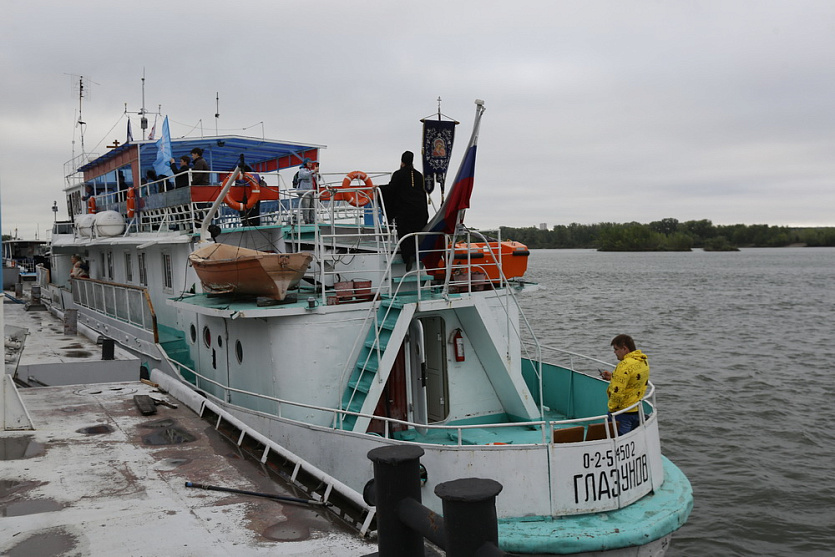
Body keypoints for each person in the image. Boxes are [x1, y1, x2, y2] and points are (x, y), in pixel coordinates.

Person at [377, 150, 428, 271]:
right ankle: (417, 254)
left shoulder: (398, 174)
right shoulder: (419, 175)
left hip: (405, 212)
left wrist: (379, 188)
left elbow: (391, 189)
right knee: (416, 233)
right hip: (420, 211)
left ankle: (408, 257)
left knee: (404, 234)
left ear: (402, 161)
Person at [599, 334, 649, 435]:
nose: (614, 352)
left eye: (616, 349)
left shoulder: (623, 366)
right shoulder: (643, 361)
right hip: (636, 410)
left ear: (625, 348)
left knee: (616, 441)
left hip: (621, 414)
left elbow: (617, 394)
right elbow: (633, 379)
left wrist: (612, 410)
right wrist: (613, 377)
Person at [295, 158, 316, 224]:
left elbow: (317, 178)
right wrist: (313, 171)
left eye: (311, 163)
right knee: (306, 206)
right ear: (305, 163)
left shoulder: (311, 171)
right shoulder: (302, 170)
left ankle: (312, 220)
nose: (310, 164)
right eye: (308, 163)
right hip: (304, 191)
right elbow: (304, 175)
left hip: (312, 191)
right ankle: (306, 220)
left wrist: (316, 173)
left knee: (312, 206)